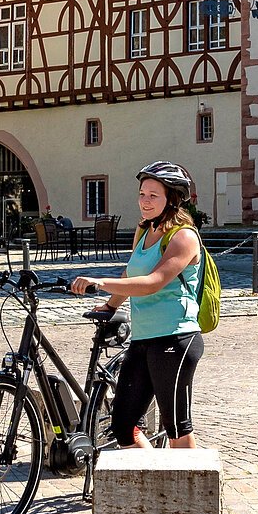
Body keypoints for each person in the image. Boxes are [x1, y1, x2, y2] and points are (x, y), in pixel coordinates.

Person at [69, 161, 203, 450]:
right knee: (122, 425)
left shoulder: (184, 237)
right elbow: (131, 274)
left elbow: (153, 281)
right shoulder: (143, 231)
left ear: (172, 199)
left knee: (176, 427)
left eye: (154, 195)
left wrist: (100, 281)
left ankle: (193, 492)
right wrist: (110, 305)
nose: (145, 201)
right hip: (143, 338)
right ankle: (156, 480)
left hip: (175, 338)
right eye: (142, 194)